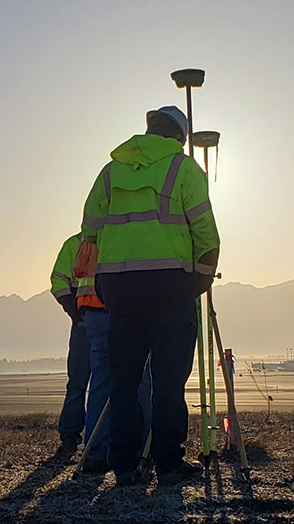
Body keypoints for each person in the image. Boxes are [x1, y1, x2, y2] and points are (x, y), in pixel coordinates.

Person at [77, 106, 219, 485]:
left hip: (120, 290)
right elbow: (205, 232)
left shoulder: (110, 172)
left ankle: (124, 465)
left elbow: (89, 229)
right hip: (171, 287)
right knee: (169, 383)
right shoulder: (183, 168)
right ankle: (168, 464)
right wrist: (200, 281)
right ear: (180, 138)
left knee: (124, 383)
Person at [73, 243, 153, 473]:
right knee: (140, 382)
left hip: (93, 309)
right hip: (124, 305)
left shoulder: (88, 229)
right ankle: (141, 453)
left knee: (101, 383)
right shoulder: (133, 218)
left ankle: (96, 453)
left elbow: (76, 270)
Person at [49, 233, 88, 457]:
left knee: (81, 385)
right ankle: (70, 437)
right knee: (79, 384)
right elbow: (58, 281)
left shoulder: (113, 238)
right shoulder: (75, 244)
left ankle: (79, 439)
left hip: (99, 323)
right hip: (87, 325)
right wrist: (74, 312)